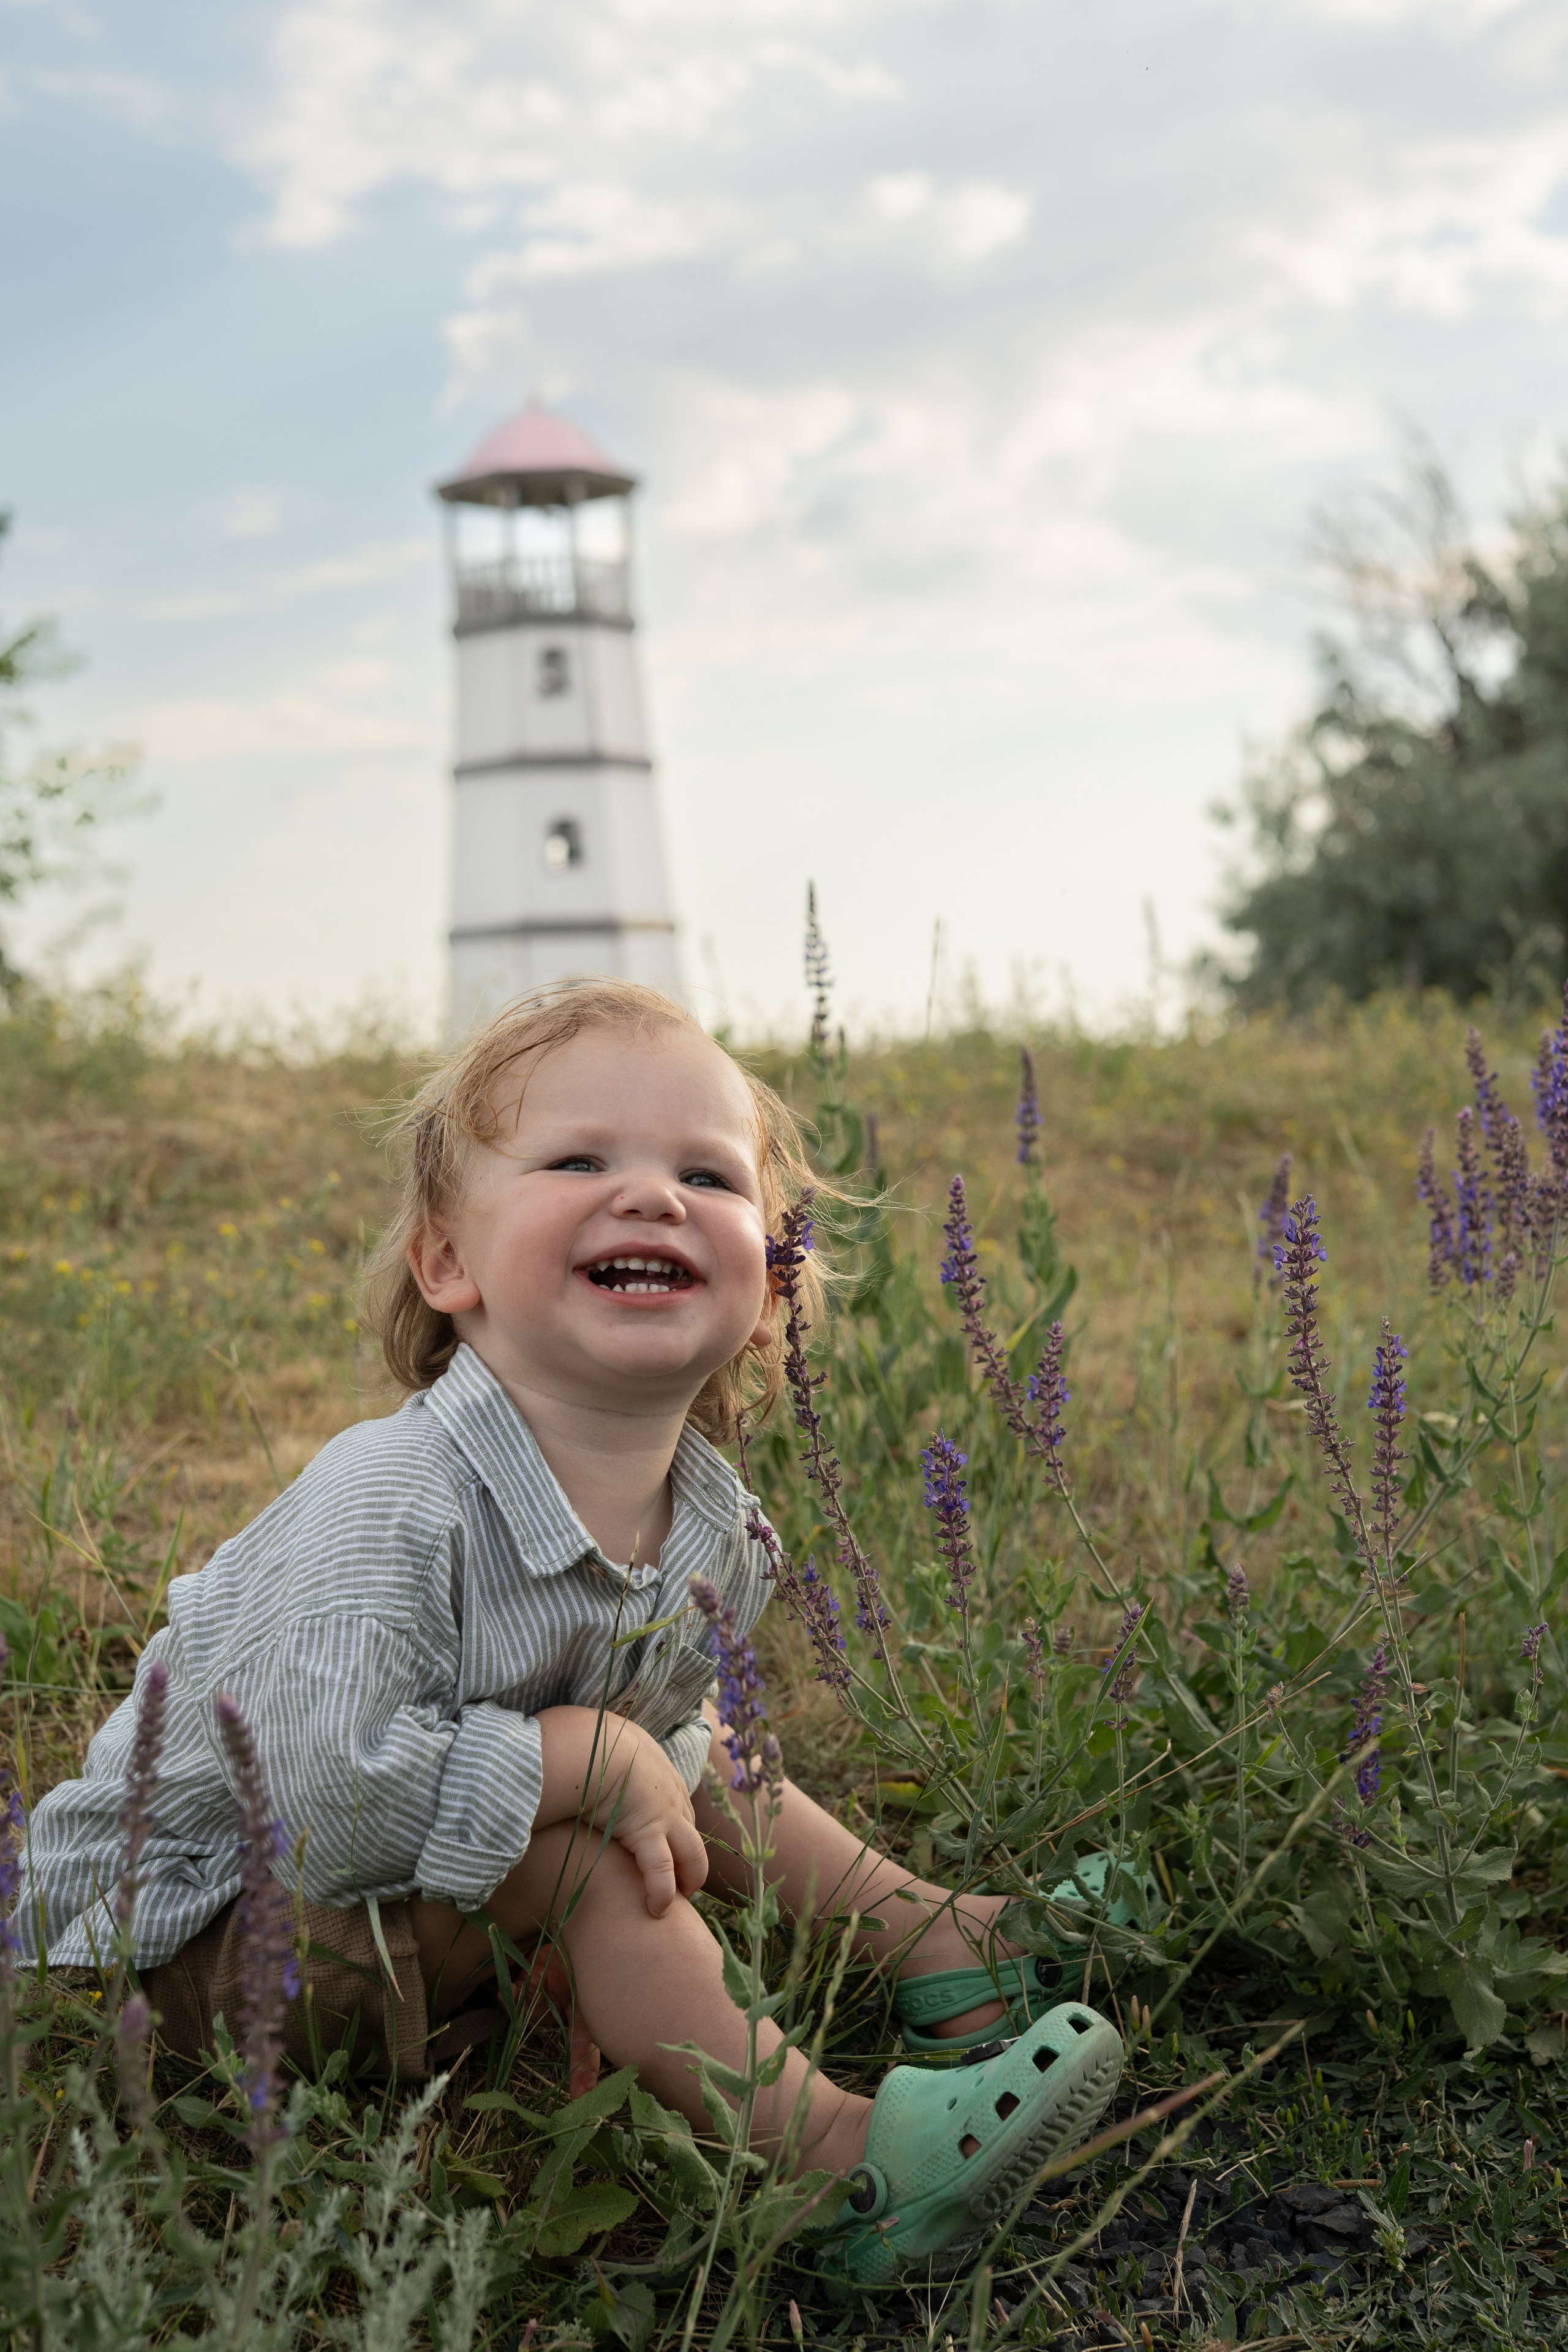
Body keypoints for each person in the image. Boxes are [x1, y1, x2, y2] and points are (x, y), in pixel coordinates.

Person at [16, 979, 1121, 2285]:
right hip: (180, 1949)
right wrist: (577, 1755)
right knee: (596, 1843)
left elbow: (670, 1758)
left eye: (704, 1175)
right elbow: (316, 1807)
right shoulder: (388, 1501)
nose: (650, 1195)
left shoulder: (711, 1526)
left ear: (768, 1287)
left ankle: (942, 1944)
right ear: (449, 1264)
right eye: (580, 1159)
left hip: (375, 1905)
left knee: (703, 1761)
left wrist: (623, 1756)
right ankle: (837, 2168)